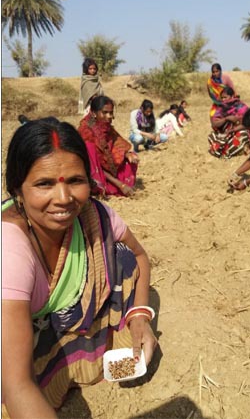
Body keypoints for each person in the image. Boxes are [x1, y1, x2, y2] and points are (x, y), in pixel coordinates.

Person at [2, 117, 158, 418]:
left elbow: (140, 257)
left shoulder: (93, 216)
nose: (64, 199)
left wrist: (140, 316)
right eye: (44, 184)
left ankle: (90, 359)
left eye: (75, 180)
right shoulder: (9, 247)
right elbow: (16, 383)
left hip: (64, 332)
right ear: (17, 190)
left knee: (121, 256)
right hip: (15, 347)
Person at [78, 95, 138, 197]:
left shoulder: (107, 128)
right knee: (89, 149)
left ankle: (116, 185)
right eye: (105, 112)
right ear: (93, 113)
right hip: (93, 173)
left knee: (131, 156)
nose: (109, 116)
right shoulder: (85, 131)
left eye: (111, 113)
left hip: (109, 171)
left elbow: (117, 144)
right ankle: (106, 187)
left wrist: (126, 154)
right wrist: (120, 185)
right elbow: (94, 165)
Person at [208, 86, 250, 159]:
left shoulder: (241, 106)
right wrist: (226, 119)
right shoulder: (219, 108)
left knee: (242, 135)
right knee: (212, 137)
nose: (223, 100)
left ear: (232, 96)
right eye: (222, 98)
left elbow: (248, 122)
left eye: (225, 97)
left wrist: (236, 121)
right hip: (225, 133)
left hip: (239, 130)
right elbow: (214, 124)